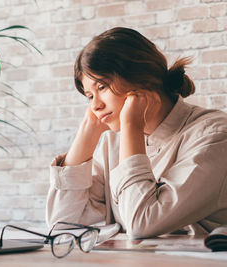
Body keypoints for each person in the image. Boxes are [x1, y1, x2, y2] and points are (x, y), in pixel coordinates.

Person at [46, 27, 227, 239]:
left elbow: (142, 223)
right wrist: (86, 134)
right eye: (89, 96)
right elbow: (63, 225)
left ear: (141, 78)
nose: (95, 105)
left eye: (102, 87)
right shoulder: (111, 143)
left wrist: (132, 127)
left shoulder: (213, 136)